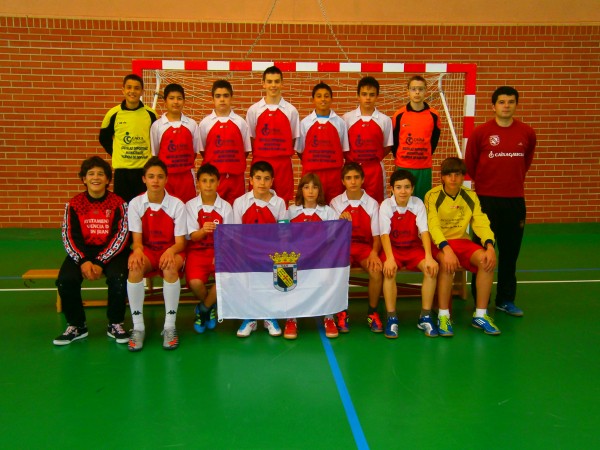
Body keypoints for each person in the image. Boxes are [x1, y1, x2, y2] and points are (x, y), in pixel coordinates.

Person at [465, 86, 536, 317]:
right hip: (486, 202)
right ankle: (480, 301)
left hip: (515, 202)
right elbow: (471, 163)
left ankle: (505, 299)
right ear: (493, 105)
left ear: (516, 105)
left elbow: (526, 162)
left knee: (509, 253)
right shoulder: (481, 133)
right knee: (483, 252)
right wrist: (488, 186)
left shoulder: (526, 132)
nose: (506, 105)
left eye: (511, 102)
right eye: (502, 102)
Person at [53, 156, 130, 346]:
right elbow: (69, 235)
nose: (96, 177)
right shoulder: (74, 204)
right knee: (65, 281)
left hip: (111, 253)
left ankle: (115, 323)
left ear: (107, 179)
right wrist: (83, 260)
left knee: (119, 278)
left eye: (101, 174)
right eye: (91, 174)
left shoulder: (118, 203)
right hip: (82, 252)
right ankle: (77, 325)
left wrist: (100, 261)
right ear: (84, 179)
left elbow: (121, 235)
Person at [424, 157, 500, 336]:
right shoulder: (432, 196)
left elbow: (481, 221)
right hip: (439, 243)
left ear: (462, 177)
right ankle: (443, 316)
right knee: (447, 263)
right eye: (448, 175)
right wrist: (446, 249)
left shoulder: (470, 195)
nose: (453, 179)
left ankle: (480, 314)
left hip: (462, 241)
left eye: (457, 175)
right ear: (442, 177)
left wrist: (489, 245)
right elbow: (432, 225)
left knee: (486, 260)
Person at [126, 157, 187, 351]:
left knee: (170, 268)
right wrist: (137, 251)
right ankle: (138, 327)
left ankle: (169, 326)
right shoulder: (136, 204)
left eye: (160, 177)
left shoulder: (177, 204)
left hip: (171, 249)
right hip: (148, 251)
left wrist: (170, 251)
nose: (155, 181)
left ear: (166, 179)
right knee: (134, 266)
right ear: (144, 179)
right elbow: (137, 240)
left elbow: (180, 242)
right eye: (151, 176)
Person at [379, 170, 439, 339]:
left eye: (406, 187)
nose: (403, 191)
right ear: (392, 189)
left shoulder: (418, 204)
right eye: (398, 187)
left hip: (413, 248)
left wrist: (428, 256)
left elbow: (424, 231)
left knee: (430, 269)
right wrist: (390, 258)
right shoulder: (386, 205)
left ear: (412, 189)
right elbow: (384, 234)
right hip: (394, 249)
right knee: (389, 272)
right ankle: (391, 317)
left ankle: (425, 316)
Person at [232, 160, 287, 337]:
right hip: (247, 252)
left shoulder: (279, 203)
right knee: (247, 279)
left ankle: (270, 315)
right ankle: (250, 317)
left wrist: (277, 255)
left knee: (272, 279)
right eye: (258, 178)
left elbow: (283, 233)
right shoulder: (240, 202)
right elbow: (236, 233)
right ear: (251, 180)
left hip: (271, 252)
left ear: (272, 181)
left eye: (266, 179)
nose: (262, 183)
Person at [284, 173, 340, 340]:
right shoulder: (291, 211)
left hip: (320, 259)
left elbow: (334, 239)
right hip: (298, 258)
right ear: (301, 190)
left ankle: (329, 317)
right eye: (306, 187)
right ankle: (291, 318)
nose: (310, 191)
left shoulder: (328, 212)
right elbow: (285, 237)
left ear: (319, 191)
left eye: (314, 187)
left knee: (329, 275)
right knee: (286, 271)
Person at [330, 162, 383, 333]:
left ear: (362, 180)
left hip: (364, 248)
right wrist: (340, 221)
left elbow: (377, 236)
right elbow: (332, 236)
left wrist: (375, 253)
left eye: (356, 177)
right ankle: (341, 312)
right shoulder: (336, 203)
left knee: (376, 270)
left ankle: (372, 312)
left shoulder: (372, 204)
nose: (353, 181)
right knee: (338, 271)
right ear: (343, 181)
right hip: (343, 247)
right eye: (348, 178)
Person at [185, 163, 233, 334]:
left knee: (224, 278)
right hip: (197, 251)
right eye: (204, 181)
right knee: (195, 283)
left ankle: (203, 309)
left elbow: (229, 238)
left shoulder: (226, 207)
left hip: (218, 252)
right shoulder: (190, 206)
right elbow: (191, 236)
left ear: (218, 183)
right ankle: (209, 307)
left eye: (212, 181)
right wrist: (202, 230)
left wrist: (220, 253)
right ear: (198, 183)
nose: (208, 185)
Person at [99, 74, 158, 203]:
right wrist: (117, 153)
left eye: (137, 88)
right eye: (129, 87)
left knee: (143, 207)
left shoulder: (151, 114)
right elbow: (103, 138)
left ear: (142, 91)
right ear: (123, 90)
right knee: (123, 207)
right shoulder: (113, 114)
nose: (132, 91)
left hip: (143, 170)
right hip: (122, 171)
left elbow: (156, 139)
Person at [245, 66, 300, 204]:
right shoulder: (254, 110)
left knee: (283, 202)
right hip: (260, 161)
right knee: (257, 200)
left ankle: (282, 227)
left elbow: (293, 138)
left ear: (282, 83)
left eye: (276, 81)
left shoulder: (291, 111)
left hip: (283, 164)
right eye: (269, 81)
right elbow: (251, 137)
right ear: (263, 83)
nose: (273, 85)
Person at [198, 79, 252, 205]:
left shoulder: (240, 123)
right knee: (214, 210)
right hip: (214, 179)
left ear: (231, 98)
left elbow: (245, 151)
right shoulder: (205, 123)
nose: (222, 99)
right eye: (218, 96)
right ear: (212, 99)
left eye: (226, 96)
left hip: (236, 178)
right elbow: (203, 151)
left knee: (236, 211)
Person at [296, 82, 349, 203]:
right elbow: (300, 151)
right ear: (313, 99)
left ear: (331, 99)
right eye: (319, 96)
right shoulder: (305, 123)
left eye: (326, 96)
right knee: (311, 208)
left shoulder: (340, 123)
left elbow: (343, 149)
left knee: (334, 208)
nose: (323, 99)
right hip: (312, 175)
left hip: (334, 176)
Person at [343, 76, 393, 203]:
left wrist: (370, 159)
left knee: (376, 203)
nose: (368, 98)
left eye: (372, 94)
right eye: (364, 94)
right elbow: (343, 145)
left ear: (377, 96)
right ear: (358, 95)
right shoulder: (347, 118)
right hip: (352, 168)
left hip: (374, 171)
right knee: (351, 202)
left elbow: (387, 146)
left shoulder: (384, 120)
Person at [391, 75, 442, 200]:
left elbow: (434, 141)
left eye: (420, 89)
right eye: (413, 89)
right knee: (400, 203)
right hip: (403, 166)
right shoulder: (399, 115)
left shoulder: (434, 115)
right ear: (408, 91)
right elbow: (394, 142)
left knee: (423, 203)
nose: (417, 92)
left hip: (424, 168)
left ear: (426, 91)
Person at [150, 83, 200, 203]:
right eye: (171, 98)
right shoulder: (157, 126)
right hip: (166, 177)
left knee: (188, 209)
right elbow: (156, 153)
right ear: (165, 102)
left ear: (184, 101)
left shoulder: (192, 124)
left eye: (179, 98)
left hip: (186, 177)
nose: (176, 102)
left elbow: (194, 152)